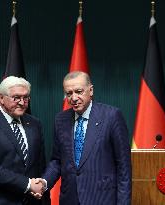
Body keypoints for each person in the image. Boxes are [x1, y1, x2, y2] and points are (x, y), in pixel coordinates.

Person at [35, 71, 132, 205]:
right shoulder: (61, 119)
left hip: (102, 199)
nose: (73, 98)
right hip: (70, 199)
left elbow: (124, 167)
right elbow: (57, 160)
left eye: (78, 91)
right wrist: (44, 182)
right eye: (69, 93)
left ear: (90, 91)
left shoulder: (111, 116)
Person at [0, 76, 50, 205]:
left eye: (25, 98)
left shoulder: (35, 124)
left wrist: (41, 187)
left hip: (31, 201)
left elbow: (40, 165)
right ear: (1, 98)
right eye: (16, 97)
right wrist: (28, 184)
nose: (21, 102)